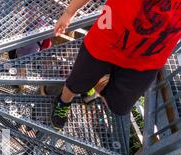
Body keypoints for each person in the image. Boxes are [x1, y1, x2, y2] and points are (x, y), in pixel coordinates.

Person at [51, 0, 181, 131]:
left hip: (146, 60)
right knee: (76, 83)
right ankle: (63, 102)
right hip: (107, 39)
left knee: (119, 106)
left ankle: (97, 82)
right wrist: (69, 12)